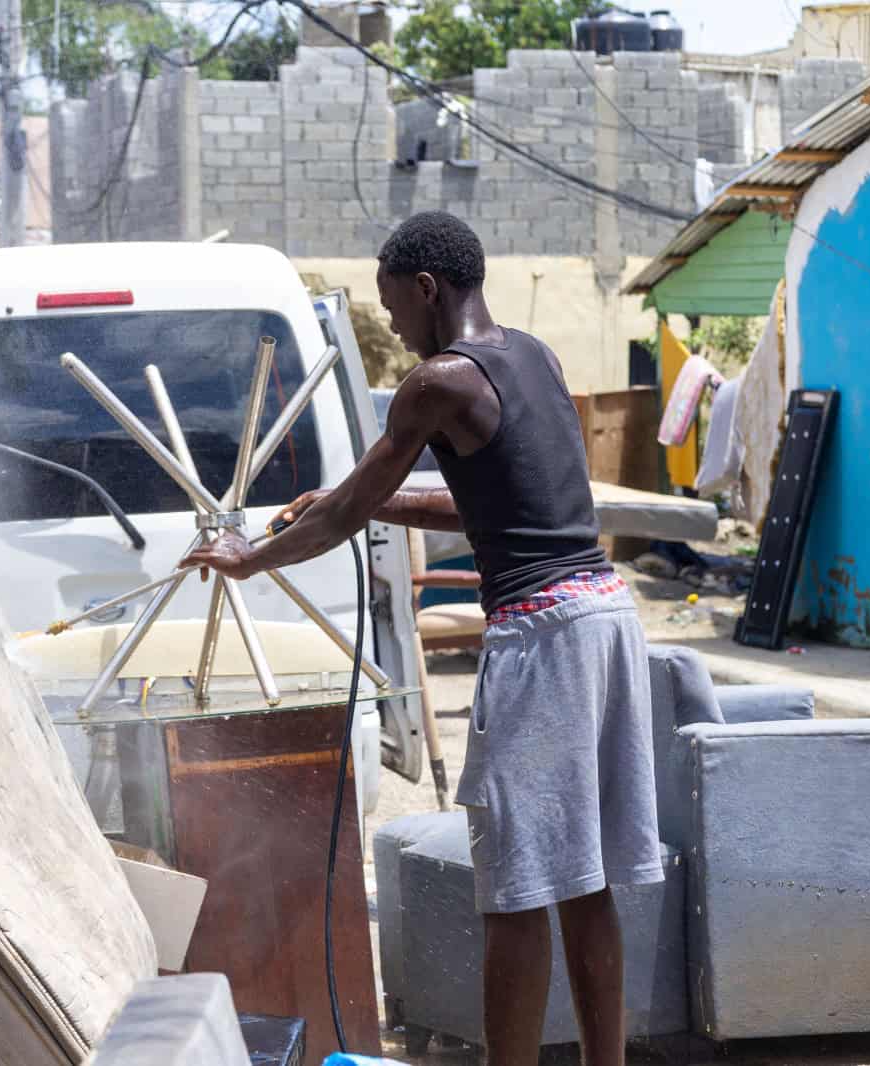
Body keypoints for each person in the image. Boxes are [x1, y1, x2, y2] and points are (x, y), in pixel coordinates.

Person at [182, 211, 661, 1066]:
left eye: (394, 305)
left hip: (543, 635)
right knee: (583, 881)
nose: (394, 323)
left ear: (428, 288)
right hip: (606, 616)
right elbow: (494, 503)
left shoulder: (436, 380)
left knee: (515, 889)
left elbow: (342, 514)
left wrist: (250, 558)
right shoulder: (533, 358)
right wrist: (368, 500)